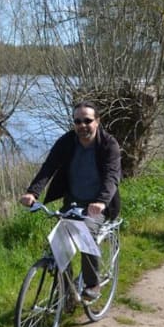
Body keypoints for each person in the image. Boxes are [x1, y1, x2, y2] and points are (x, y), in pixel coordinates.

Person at [19, 101, 122, 299]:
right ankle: (67, 294)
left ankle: (92, 284)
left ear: (97, 121)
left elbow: (112, 176)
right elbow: (49, 167)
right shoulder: (67, 142)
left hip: (98, 207)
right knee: (59, 245)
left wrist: (101, 202)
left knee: (86, 233)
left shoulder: (108, 145)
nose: (82, 125)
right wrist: (33, 193)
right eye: (77, 121)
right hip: (73, 203)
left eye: (87, 121)